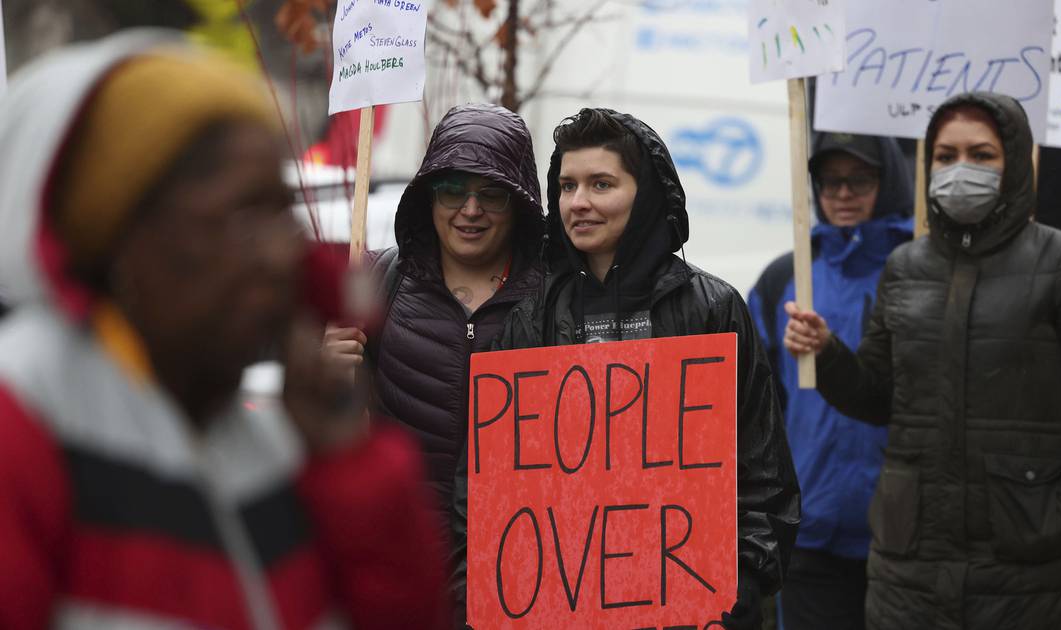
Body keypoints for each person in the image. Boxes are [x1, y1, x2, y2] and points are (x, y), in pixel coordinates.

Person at [0, 32, 449, 629]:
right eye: (242, 216)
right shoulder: (27, 424)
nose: (280, 253)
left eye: (279, 213)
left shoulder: (273, 443)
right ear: (122, 236)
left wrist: (352, 472)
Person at [783, 92, 1061, 630]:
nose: (960, 170)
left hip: (1025, 566)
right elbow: (879, 395)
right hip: (910, 565)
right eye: (946, 156)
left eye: (981, 154)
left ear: (1013, 162)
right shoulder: (906, 267)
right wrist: (827, 354)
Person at [452, 107, 801, 629]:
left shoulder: (712, 309)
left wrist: (740, 587)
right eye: (567, 186)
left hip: (689, 607)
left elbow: (763, 471)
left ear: (646, 195)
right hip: (561, 609)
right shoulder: (530, 317)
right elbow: (482, 485)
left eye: (601, 184)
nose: (579, 203)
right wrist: (486, 588)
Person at [322, 103, 545, 525]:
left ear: (518, 203)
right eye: (453, 190)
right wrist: (324, 374)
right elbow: (320, 432)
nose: (471, 209)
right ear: (429, 196)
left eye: (492, 193)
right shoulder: (373, 280)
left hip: (515, 560)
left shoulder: (558, 298)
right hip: (407, 553)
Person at [747, 132, 912, 630]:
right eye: (830, 181)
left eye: (859, 179)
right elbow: (755, 404)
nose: (843, 194)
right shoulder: (786, 276)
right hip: (810, 527)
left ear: (889, 182)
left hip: (903, 533)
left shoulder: (922, 271)